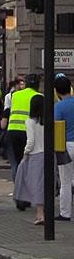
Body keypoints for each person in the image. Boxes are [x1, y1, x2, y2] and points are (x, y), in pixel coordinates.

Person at [8, 73, 41, 210]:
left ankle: (19, 195)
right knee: (28, 164)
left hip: (13, 130)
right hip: (29, 132)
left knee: (16, 163)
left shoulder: (15, 95)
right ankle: (26, 196)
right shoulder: (39, 97)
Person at [14, 94, 47, 225]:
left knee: (35, 185)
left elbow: (31, 141)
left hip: (35, 155)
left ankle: (40, 214)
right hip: (49, 154)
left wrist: (25, 153)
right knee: (45, 185)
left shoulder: (30, 122)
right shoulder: (49, 121)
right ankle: (45, 213)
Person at [55, 75, 74, 221]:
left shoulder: (58, 107)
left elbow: (55, 127)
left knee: (65, 181)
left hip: (65, 145)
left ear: (57, 91)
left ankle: (65, 213)